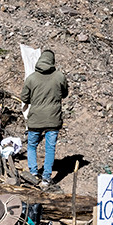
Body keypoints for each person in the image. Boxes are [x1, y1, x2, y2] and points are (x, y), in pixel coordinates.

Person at [20, 49, 68, 188]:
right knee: (50, 148)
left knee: (32, 146)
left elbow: (24, 98)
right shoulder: (59, 76)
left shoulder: (31, 78)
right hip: (53, 119)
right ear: (52, 61)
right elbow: (64, 94)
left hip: (35, 119)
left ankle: (34, 174)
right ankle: (46, 178)